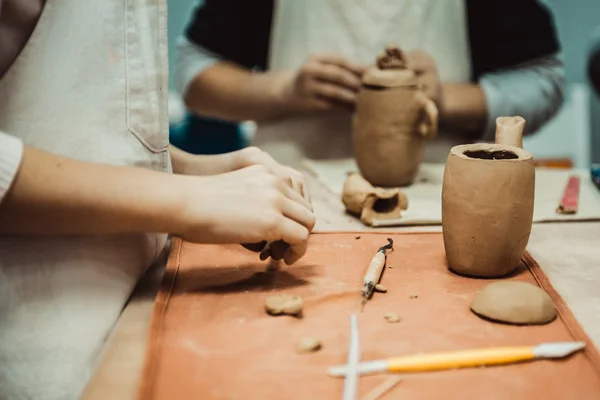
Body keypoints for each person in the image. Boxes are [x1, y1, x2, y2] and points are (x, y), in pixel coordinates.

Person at [0, 1, 314, 399]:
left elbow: (82, 121)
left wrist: (191, 171)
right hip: (32, 345)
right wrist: (183, 200)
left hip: (127, 314)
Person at [176, 0, 565, 167]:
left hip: (441, 208)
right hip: (289, 202)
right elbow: (194, 77)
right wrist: (284, 91)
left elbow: (545, 81)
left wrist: (445, 99)